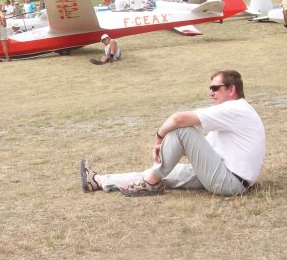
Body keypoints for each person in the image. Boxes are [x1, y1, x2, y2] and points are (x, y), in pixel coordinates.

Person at [80, 69, 265, 197]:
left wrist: (159, 137)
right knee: (156, 172)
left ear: (231, 89)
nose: (211, 93)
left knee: (183, 130)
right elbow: (198, 149)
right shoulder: (234, 113)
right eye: (210, 88)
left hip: (230, 182)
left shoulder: (236, 109)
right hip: (222, 173)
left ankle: (150, 185)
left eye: (215, 88)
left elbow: (179, 119)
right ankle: (98, 181)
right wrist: (167, 149)